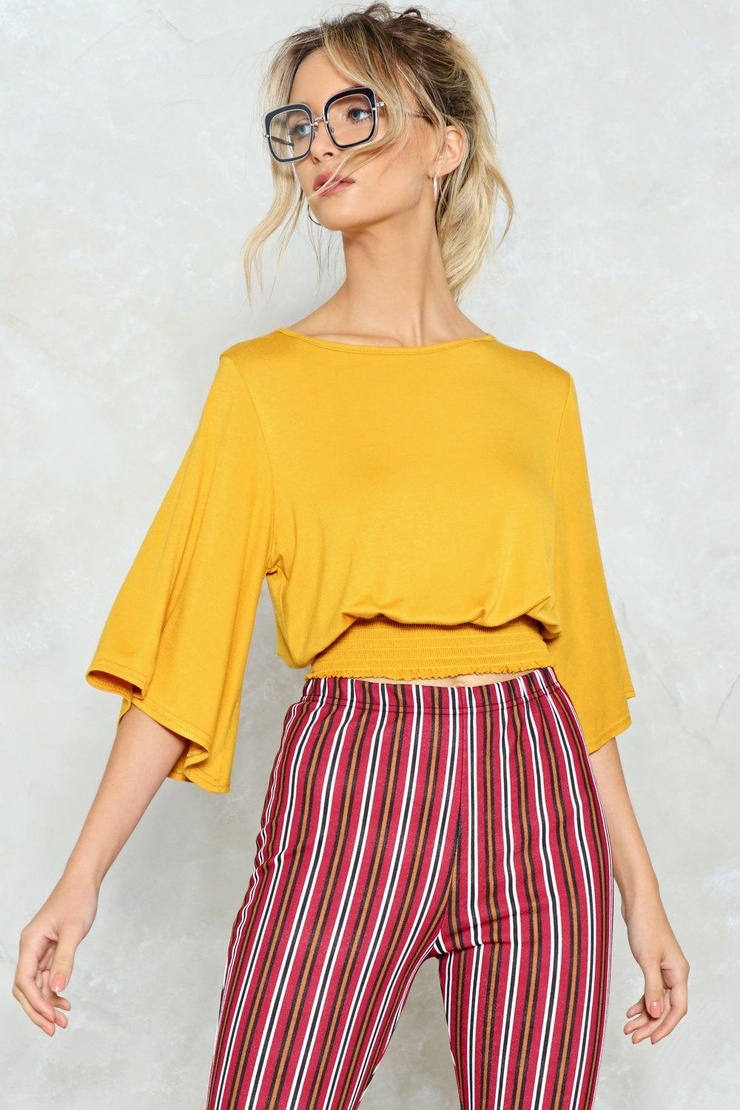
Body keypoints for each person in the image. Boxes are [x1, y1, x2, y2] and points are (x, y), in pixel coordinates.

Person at [13, 4, 689, 1107]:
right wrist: (78, 880)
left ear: (443, 143)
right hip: (358, 772)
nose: (319, 146)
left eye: (354, 113)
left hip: (539, 787)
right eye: (298, 125)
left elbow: (583, 668)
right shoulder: (265, 385)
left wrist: (642, 898)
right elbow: (185, 645)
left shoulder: (537, 395)